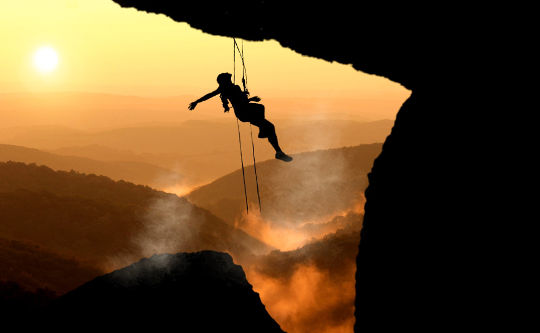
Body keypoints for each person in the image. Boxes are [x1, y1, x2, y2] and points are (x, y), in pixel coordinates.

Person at [188, 73, 293, 162]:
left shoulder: (231, 88)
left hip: (245, 111)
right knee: (267, 121)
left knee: (268, 124)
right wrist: (196, 102)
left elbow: (239, 99)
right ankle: (276, 149)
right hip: (245, 112)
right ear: (225, 81)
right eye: (229, 79)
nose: (231, 80)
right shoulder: (226, 89)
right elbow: (210, 96)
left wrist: (248, 96)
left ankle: (277, 150)